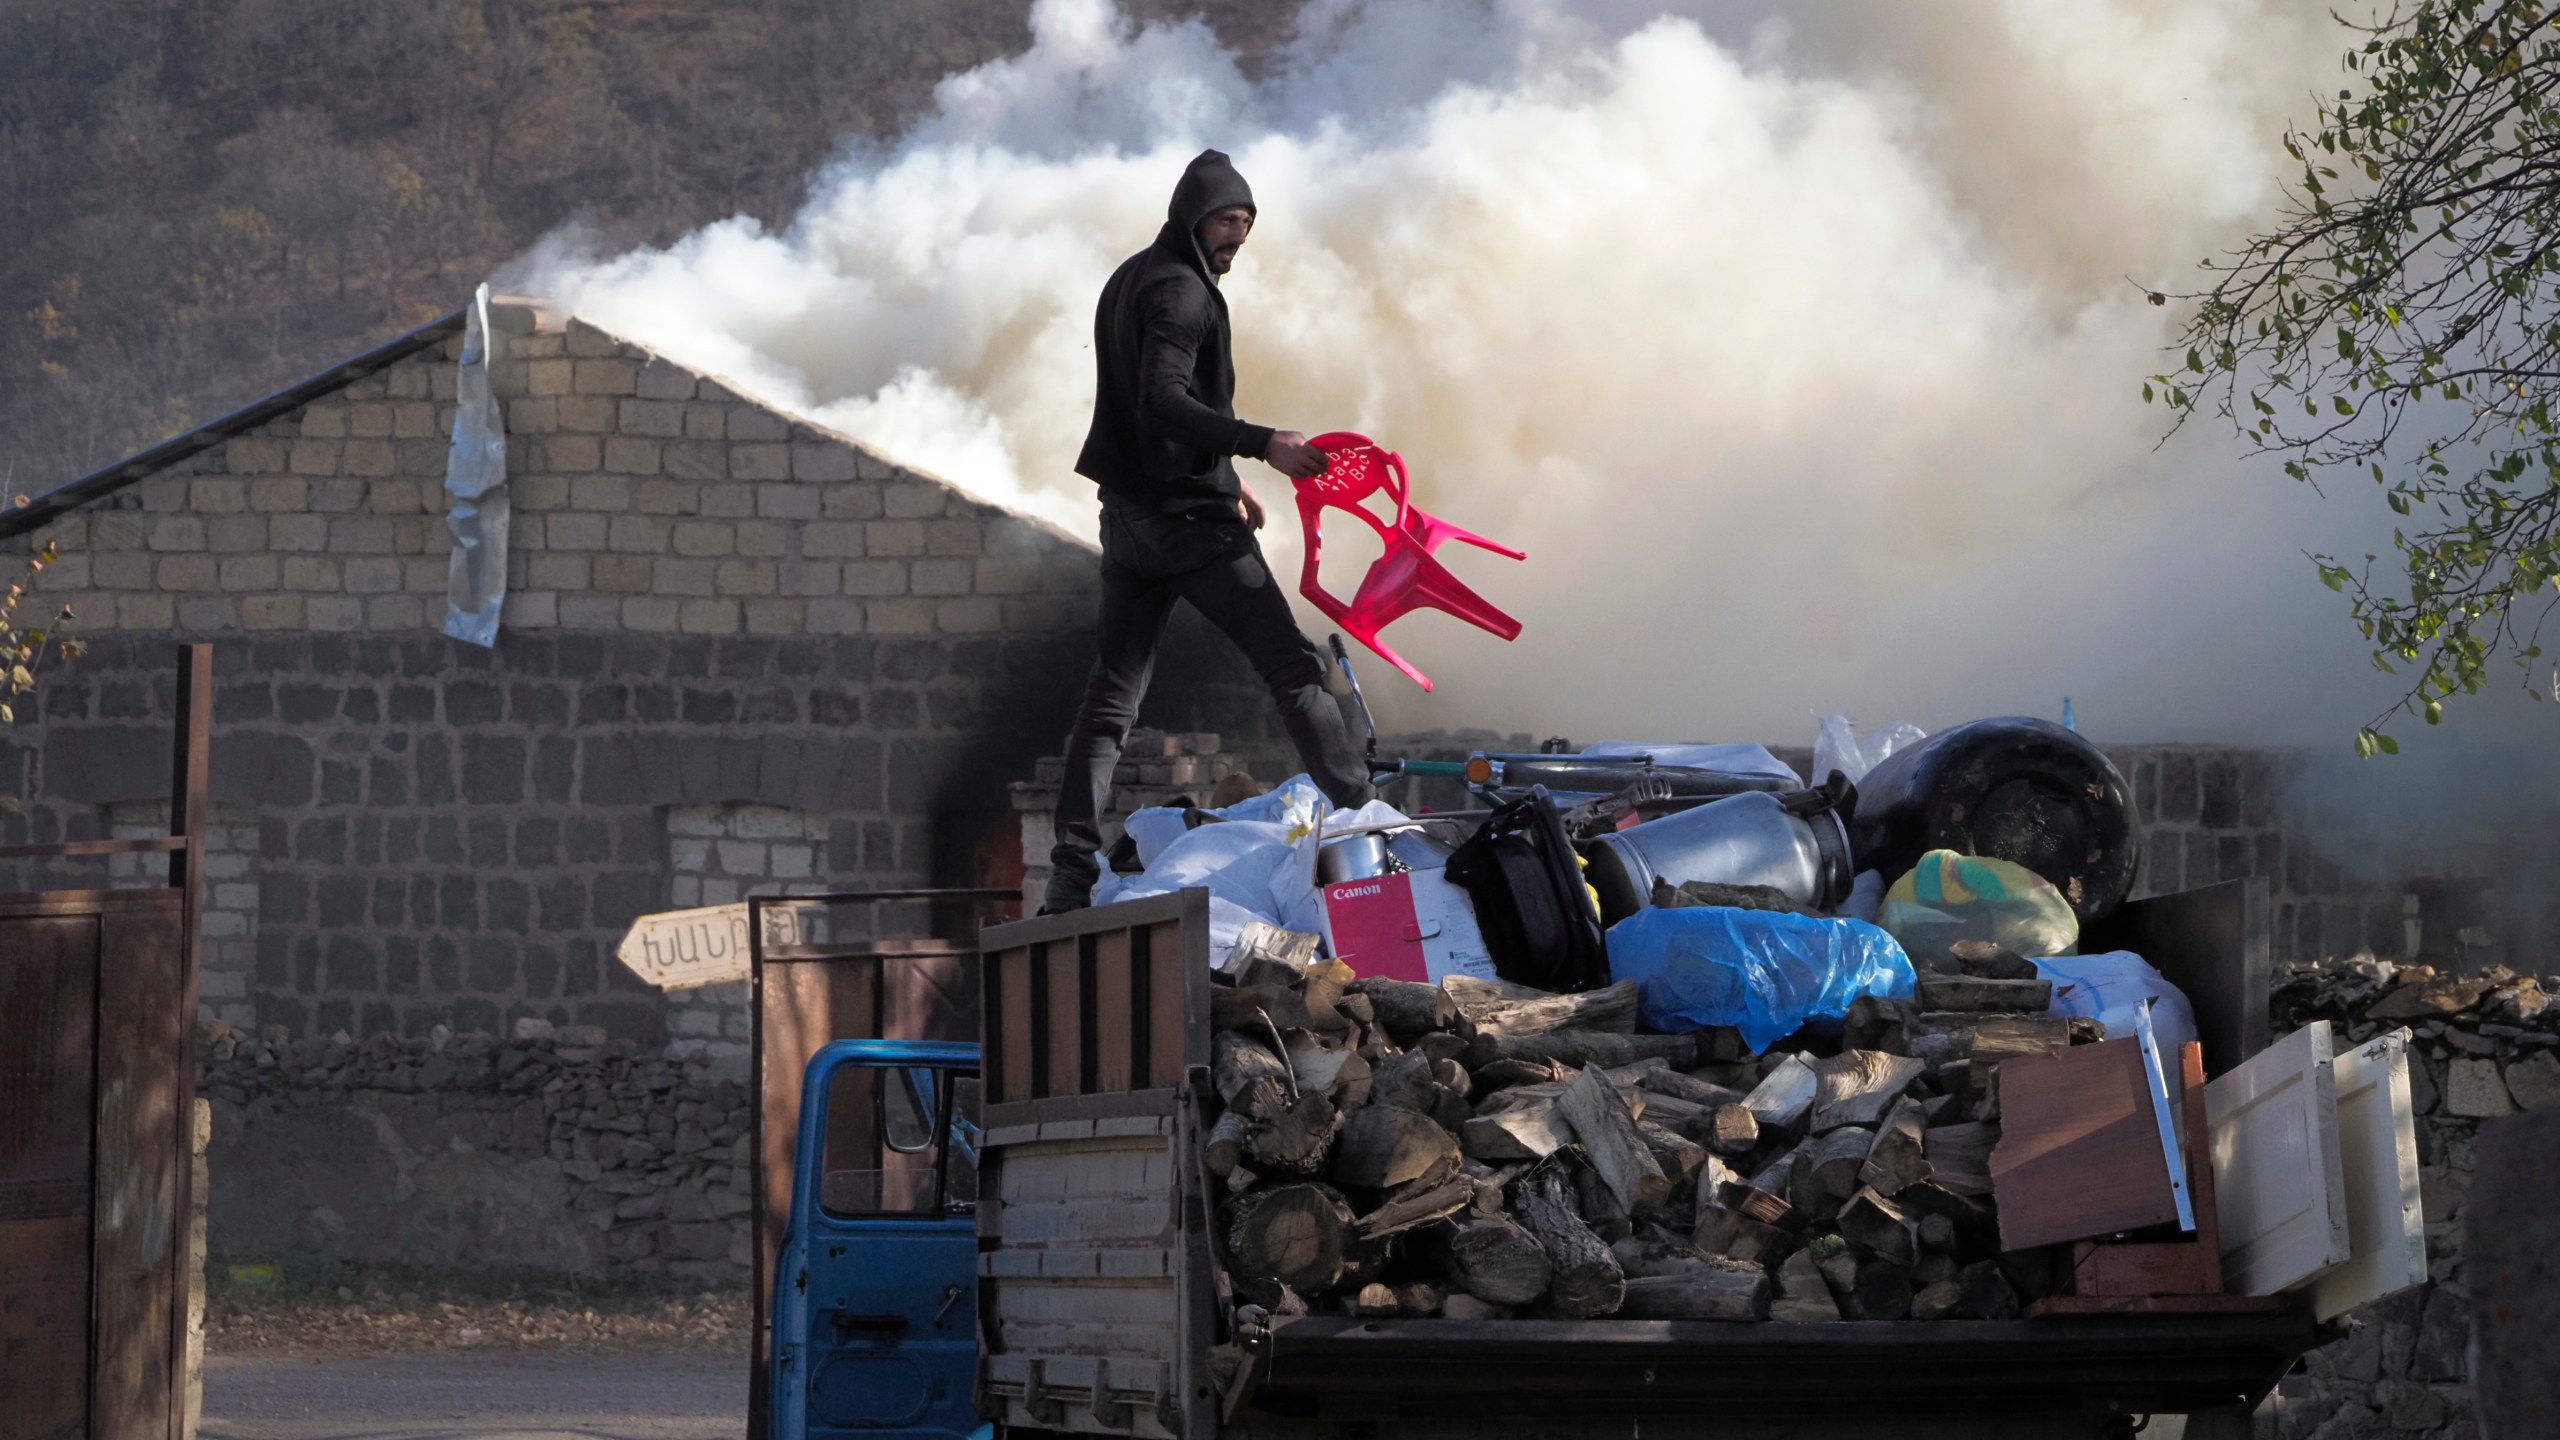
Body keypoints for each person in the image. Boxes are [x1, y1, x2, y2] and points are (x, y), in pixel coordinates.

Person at [1044, 148, 1377, 914]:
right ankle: (1368, 820)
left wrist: (1228, 480)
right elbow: (1161, 399)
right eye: (1227, 220)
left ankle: (1069, 872)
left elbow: (1150, 415)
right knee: (1294, 669)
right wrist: (1265, 443)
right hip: (1185, 529)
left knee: (1109, 702)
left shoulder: (1131, 275)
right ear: (1193, 214)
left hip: (1130, 519)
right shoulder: (1183, 295)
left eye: (1247, 223)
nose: (1238, 236)